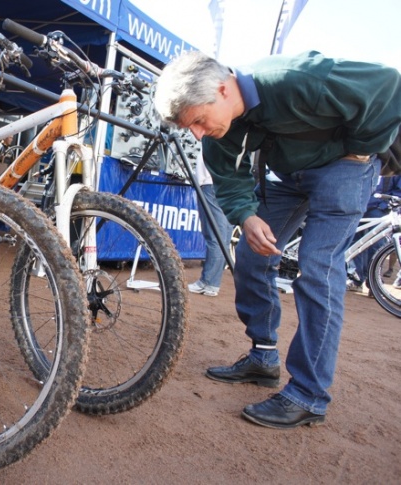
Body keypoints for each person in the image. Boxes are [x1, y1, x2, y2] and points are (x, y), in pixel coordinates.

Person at [154, 50, 401, 429]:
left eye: (199, 121)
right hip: (291, 176)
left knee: (318, 267)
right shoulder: (220, 128)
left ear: (222, 89)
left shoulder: (294, 78)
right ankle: (264, 356)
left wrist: (362, 147)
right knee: (250, 257)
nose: (198, 133)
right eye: (191, 127)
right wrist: (247, 217)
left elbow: (388, 85)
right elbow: (228, 178)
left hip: (345, 167)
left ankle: (308, 395)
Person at [346, 175, 401, 292]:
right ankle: (356, 279)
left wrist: (383, 206)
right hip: (357, 206)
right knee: (355, 243)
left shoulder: (393, 163)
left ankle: (374, 282)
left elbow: (398, 192)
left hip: (378, 210)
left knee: (376, 245)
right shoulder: (367, 160)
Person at [189, 155, 234, 297]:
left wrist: (200, 182)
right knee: (223, 238)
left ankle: (208, 282)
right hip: (228, 185)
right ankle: (212, 283)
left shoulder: (213, 136)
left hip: (211, 184)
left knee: (215, 236)